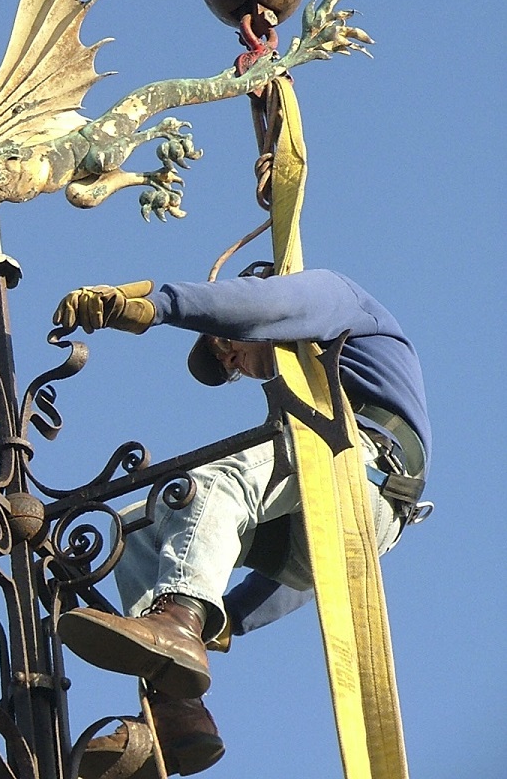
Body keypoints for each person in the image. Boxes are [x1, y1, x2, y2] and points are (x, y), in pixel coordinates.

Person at [51, 268, 430, 776]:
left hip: (362, 467)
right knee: (140, 526)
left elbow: (267, 304)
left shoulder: (338, 300)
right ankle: (177, 712)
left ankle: (178, 624)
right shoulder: (306, 387)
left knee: (209, 484)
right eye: (224, 361)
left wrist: (158, 307)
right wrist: (228, 614)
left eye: (224, 341)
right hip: (338, 522)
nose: (228, 357)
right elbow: (313, 571)